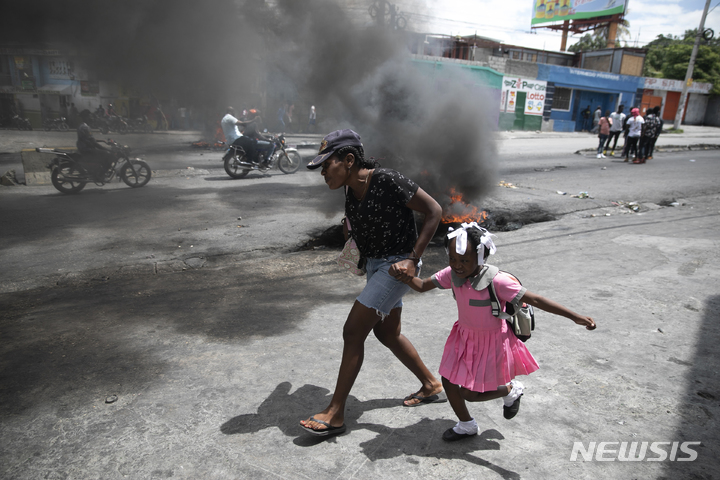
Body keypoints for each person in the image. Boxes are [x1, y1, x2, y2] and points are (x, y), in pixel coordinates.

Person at [391, 222, 597, 441]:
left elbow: (536, 299)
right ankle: (466, 424)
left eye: (464, 260)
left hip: (491, 343)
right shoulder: (452, 275)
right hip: (463, 337)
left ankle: (510, 390)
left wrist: (575, 316)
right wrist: (402, 276)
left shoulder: (498, 281)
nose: (457, 265)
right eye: (452, 259)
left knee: (469, 394)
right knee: (449, 381)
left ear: (480, 258)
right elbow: (422, 285)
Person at [300, 129, 444, 437]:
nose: (323, 172)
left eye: (328, 165)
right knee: (388, 333)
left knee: (353, 331)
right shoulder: (351, 190)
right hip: (376, 266)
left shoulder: (388, 180)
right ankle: (431, 384)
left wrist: (413, 259)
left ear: (349, 160)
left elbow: (435, 211)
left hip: (396, 269)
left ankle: (336, 413)